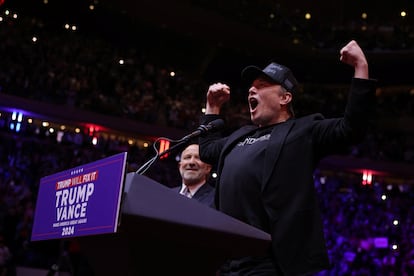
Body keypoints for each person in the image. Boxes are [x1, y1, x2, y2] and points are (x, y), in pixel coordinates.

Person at [198, 40, 377, 275]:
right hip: (227, 258)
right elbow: (207, 150)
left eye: (262, 85)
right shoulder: (240, 135)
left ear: (285, 98)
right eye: (251, 87)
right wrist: (212, 107)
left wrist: (360, 67)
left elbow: (351, 128)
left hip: (269, 260)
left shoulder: (304, 130)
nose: (252, 90)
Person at [172, 143, 215, 207]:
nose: (191, 162)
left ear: (208, 168)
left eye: (198, 158)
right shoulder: (166, 194)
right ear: (179, 166)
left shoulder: (217, 199)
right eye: (187, 157)